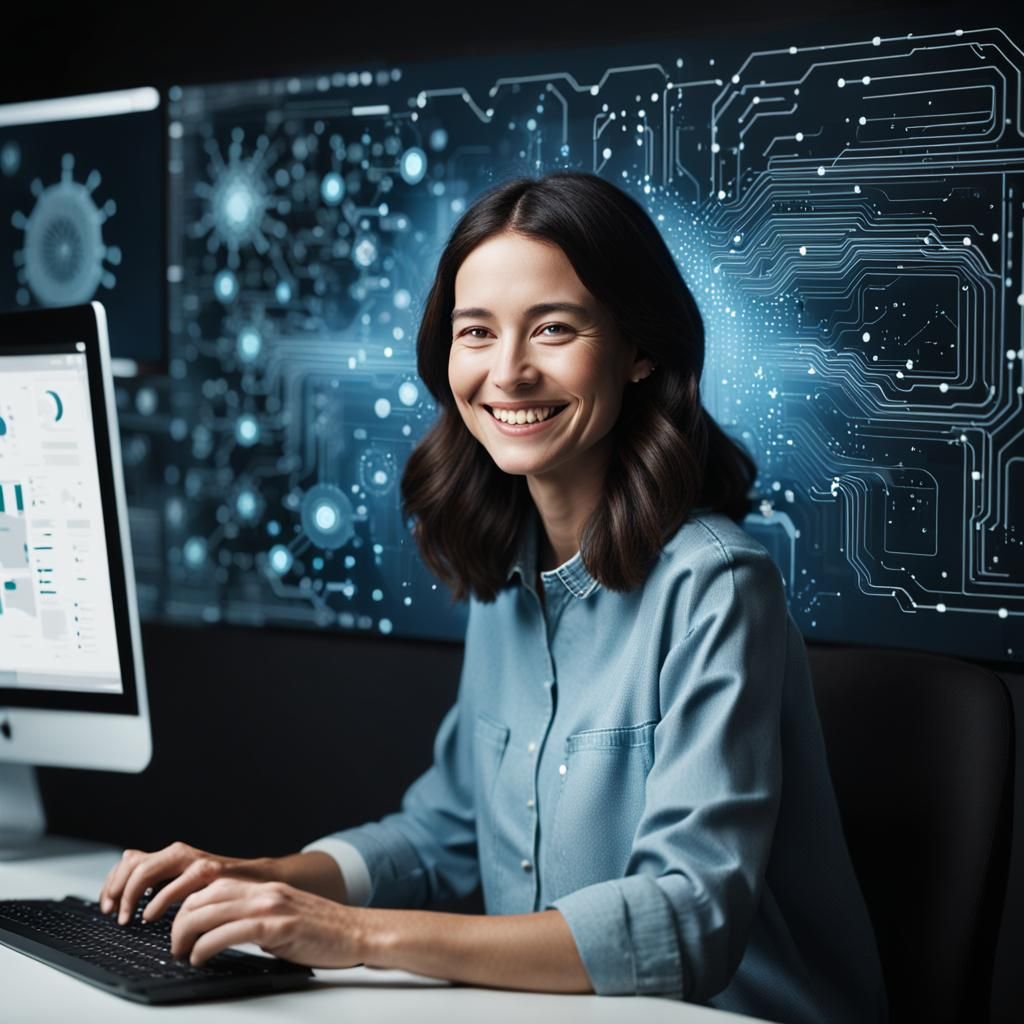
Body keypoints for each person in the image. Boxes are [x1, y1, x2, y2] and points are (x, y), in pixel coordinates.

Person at [99, 171, 888, 1023]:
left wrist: (357, 934)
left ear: (639, 348)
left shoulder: (719, 585)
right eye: (476, 332)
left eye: (553, 329)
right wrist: (259, 878)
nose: (508, 373)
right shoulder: (506, 570)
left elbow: (686, 915)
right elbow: (446, 832)